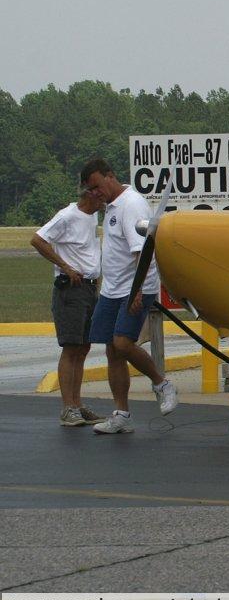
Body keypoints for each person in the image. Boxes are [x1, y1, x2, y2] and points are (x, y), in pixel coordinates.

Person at [79, 159, 178, 434]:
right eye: (91, 190)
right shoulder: (111, 206)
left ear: (111, 176)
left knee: (122, 343)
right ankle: (122, 414)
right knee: (112, 350)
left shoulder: (131, 204)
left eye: (97, 186)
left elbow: (141, 251)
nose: (95, 193)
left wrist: (137, 291)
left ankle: (162, 383)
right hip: (112, 289)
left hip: (135, 288)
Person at [30, 187, 106, 426]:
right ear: (89, 193)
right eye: (100, 194)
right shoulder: (67, 216)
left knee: (83, 347)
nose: (104, 199)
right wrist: (65, 266)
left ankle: (77, 403)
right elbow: (38, 239)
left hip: (89, 288)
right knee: (71, 347)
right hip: (71, 289)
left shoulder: (93, 217)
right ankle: (67, 407)